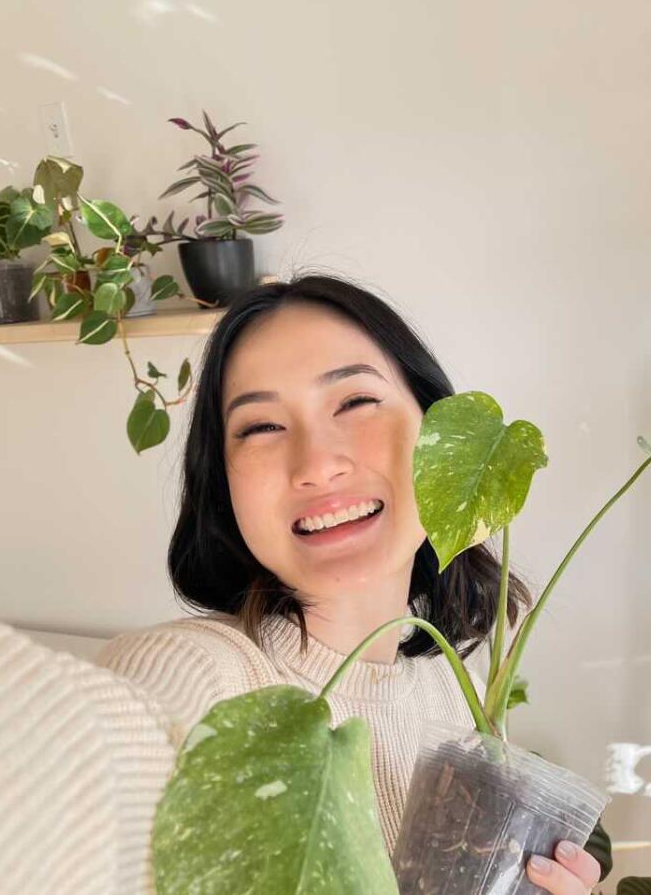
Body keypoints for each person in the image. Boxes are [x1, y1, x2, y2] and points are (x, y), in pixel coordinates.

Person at [97, 274, 601, 894]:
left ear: (439, 436)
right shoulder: (190, 679)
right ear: (224, 487)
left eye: (355, 403)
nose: (317, 465)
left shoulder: (456, 689)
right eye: (260, 427)